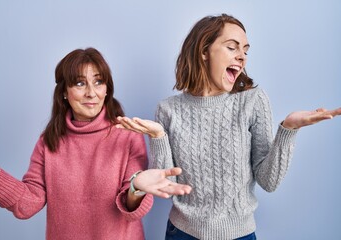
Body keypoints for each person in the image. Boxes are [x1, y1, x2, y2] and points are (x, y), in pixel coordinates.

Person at [116, 14, 341, 240]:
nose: (242, 56)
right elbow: (167, 187)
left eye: (245, 50)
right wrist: (158, 136)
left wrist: (288, 129)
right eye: (232, 47)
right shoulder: (168, 110)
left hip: (240, 235)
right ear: (204, 51)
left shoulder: (253, 100)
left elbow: (268, 181)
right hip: (182, 233)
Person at [0, 47, 191, 240]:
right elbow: (27, 204)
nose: (91, 92)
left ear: (107, 89)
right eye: (80, 83)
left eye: (99, 82)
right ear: (64, 92)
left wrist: (136, 188)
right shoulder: (49, 141)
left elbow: (132, 210)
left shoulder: (127, 135)